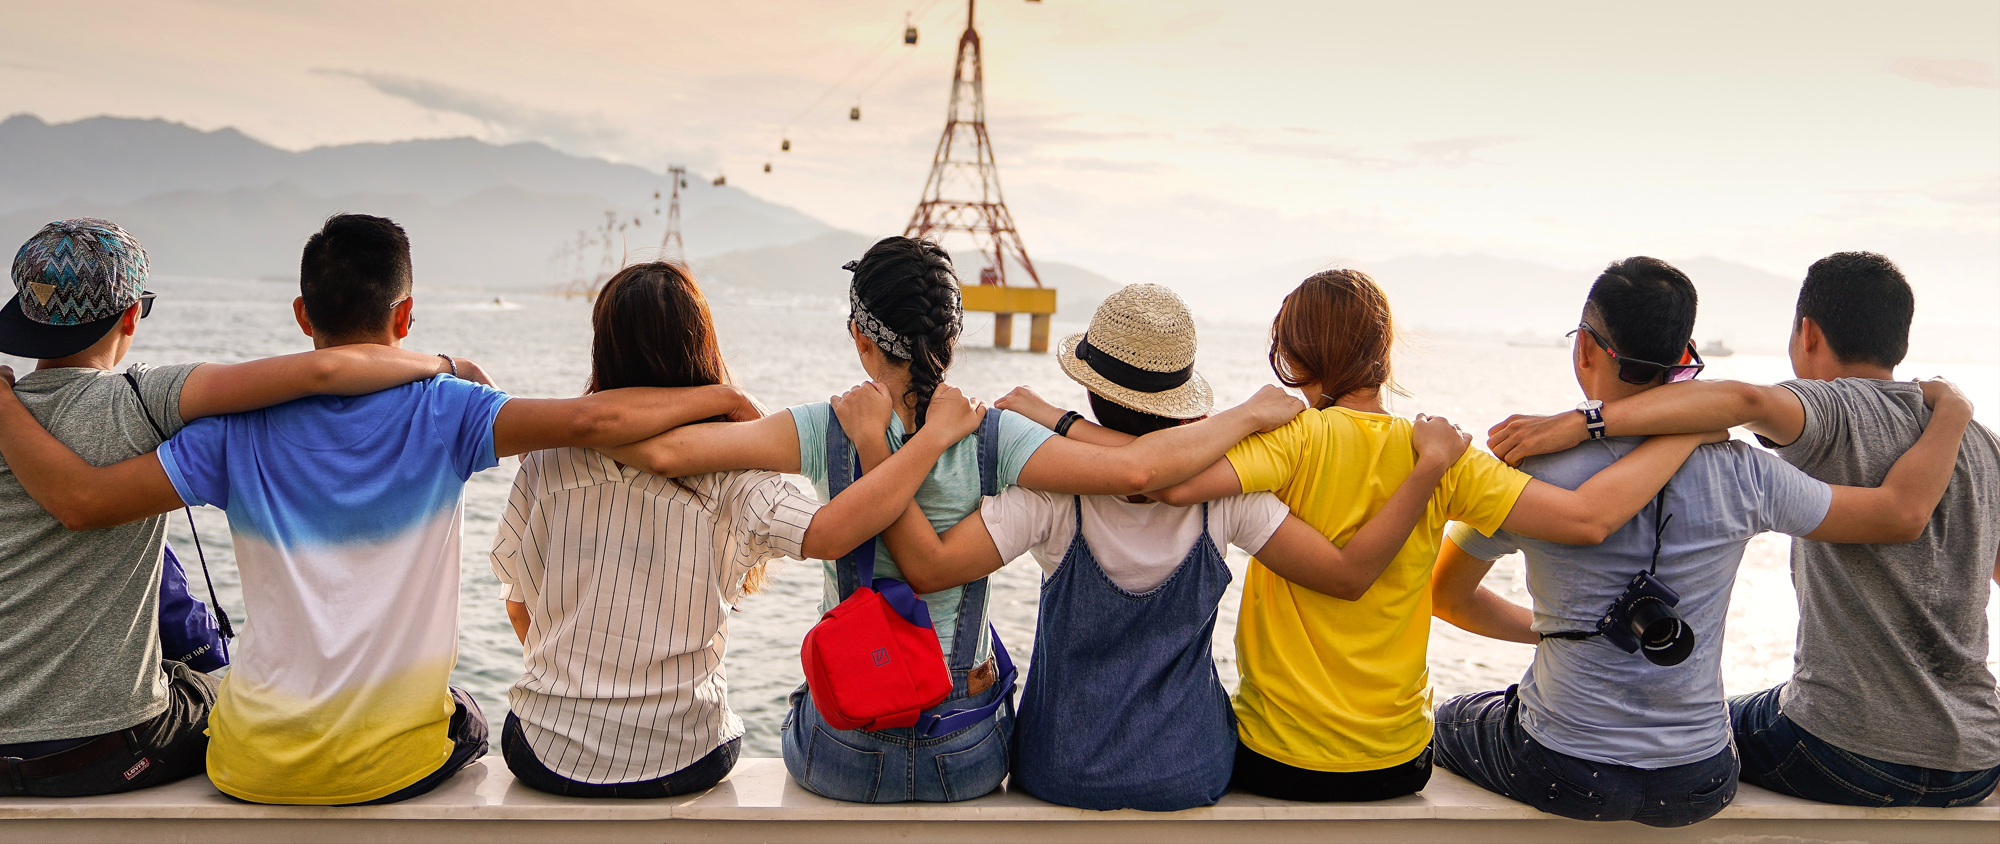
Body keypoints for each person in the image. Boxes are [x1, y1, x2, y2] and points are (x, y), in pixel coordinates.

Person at [0, 214, 761, 806]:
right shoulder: (454, 412)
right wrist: (723, 398)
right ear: (406, 316)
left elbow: (87, 500)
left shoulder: (227, 433)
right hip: (398, 766)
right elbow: (595, 422)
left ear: (302, 313)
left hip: (250, 764)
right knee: (464, 711)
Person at [600, 238, 1306, 803]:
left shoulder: (826, 425)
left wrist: (722, 395)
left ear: (861, 338)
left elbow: (661, 451)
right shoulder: (997, 436)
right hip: (963, 755)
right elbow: (1138, 471)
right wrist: (1245, 415)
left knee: (804, 697)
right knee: (988, 656)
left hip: (846, 751)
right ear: (954, 336)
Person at [870, 283, 1475, 811]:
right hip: (1192, 769)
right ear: (1179, 399)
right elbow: (1345, 574)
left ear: (1090, 392)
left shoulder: (1051, 495)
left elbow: (930, 567)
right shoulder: (1230, 497)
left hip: (1059, 768)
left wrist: (881, 454)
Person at [1429, 257, 1976, 827]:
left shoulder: (1527, 470)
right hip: (1699, 778)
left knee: (1450, 719)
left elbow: (1446, 596)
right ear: (1685, 358)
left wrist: (1551, 633)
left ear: (1585, 349)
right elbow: (1895, 514)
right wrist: (1953, 413)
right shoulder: (1744, 472)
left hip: (1565, 768)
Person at [1147, 269, 1718, 803]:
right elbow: (1585, 519)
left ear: (1293, 356)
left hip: (1278, 759)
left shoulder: (1290, 440)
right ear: (1384, 352)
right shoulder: (1446, 456)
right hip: (1399, 764)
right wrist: (1683, 432)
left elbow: (1165, 480)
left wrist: (1244, 416)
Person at [0, 218, 475, 798]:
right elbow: (324, 371)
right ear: (131, 316)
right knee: (215, 689)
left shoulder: (15, 411)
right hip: (98, 753)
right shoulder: (144, 401)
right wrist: (447, 367)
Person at [490, 262, 986, 798]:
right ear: (701, 346)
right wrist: (930, 440)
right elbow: (830, 532)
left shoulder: (546, 461)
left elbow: (520, 605)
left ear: (602, 349)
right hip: (685, 754)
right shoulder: (734, 473)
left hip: (547, 750)